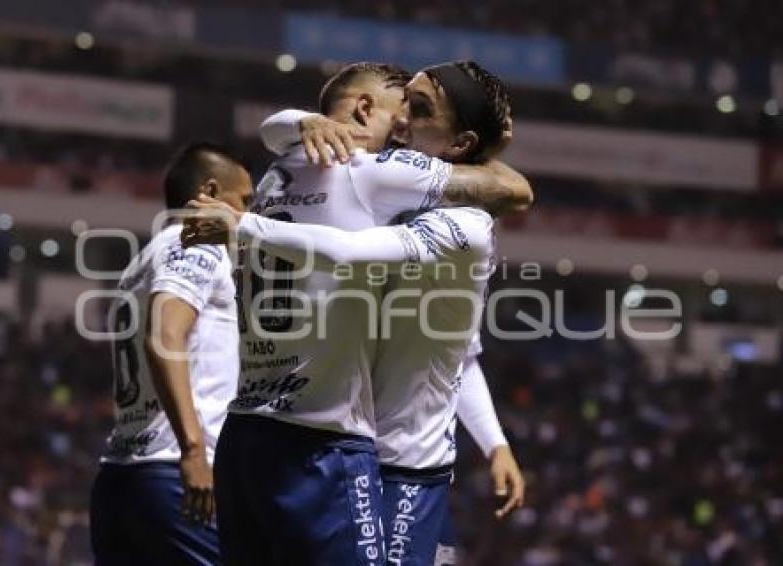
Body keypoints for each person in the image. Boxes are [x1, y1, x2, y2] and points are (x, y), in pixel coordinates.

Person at [182, 62, 530, 565]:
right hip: (336, 443)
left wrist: (494, 442)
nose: (404, 121)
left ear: (459, 143)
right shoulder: (376, 180)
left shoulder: (282, 175)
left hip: (394, 461)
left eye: (420, 108)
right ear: (365, 109)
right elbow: (515, 189)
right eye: (403, 104)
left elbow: (461, 352)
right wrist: (297, 121)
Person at [89, 143, 252, 565]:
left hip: (121, 475)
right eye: (245, 201)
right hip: (174, 476)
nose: (251, 214)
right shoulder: (195, 243)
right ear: (211, 191)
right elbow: (164, 337)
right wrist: (193, 452)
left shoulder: (141, 261)